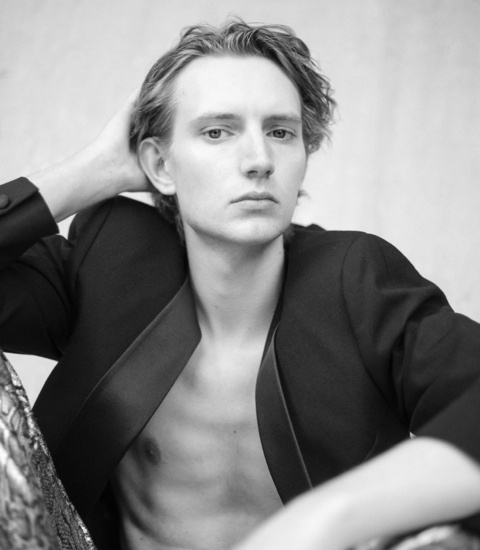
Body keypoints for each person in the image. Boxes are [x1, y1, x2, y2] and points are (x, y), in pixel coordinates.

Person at [1, 18, 480, 550]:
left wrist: (327, 518)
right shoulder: (109, 264)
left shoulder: (356, 279)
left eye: (280, 132)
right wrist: (96, 170)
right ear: (160, 164)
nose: (259, 161)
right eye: (217, 132)